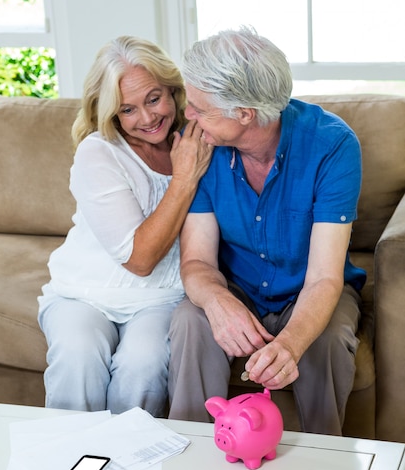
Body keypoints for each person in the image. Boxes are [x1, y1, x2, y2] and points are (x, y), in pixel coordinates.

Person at [168, 27, 366, 435]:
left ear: (244, 113)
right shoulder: (202, 144)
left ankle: (321, 465)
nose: (188, 116)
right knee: (191, 319)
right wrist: (218, 300)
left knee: (325, 339)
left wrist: (289, 345)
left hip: (309, 287)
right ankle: (188, 461)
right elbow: (197, 261)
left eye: (200, 109)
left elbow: (325, 277)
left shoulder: (332, 146)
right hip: (238, 284)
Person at [38, 36, 213, 415]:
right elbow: (140, 260)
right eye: (127, 109)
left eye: (153, 99)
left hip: (162, 298)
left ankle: (129, 466)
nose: (147, 118)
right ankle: (65, 462)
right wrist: (184, 179)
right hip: (84, 294)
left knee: (144, 365)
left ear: (173, 89)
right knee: (78, 356)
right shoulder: (98, 152)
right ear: (111, 113)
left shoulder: (195, 140)